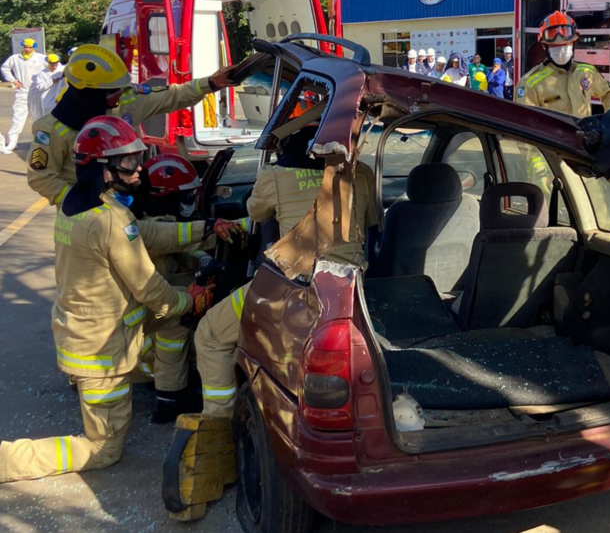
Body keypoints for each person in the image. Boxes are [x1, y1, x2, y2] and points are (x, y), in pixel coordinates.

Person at [163, 128, 378, 519]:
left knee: (211, 333)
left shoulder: (275, 176)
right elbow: (372, 223)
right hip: (353, 287)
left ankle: (218, 427)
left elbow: (256, 212)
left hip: (294, 289)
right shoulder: (359, 171)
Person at [0, 117, 214, 483]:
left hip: (81, 333)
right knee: (103, 449)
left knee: (170, 324)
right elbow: (148, 286)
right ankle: (9, 460)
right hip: (103, 352)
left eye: (139, 156)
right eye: (129, 161)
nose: (139, 167)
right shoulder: (110, 219)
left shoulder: (76, 202)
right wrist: (188, 301)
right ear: (102, 167)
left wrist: (203, 231)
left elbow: (140, 231)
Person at [26, 44, 236, 207]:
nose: (119, 96)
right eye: (111, 92)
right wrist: (85, 202)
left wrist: (211, 83)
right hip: (85, 219)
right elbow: (42, 178)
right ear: (87, 92)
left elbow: (173, 96)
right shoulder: (51, 129)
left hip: (132, 201)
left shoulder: (127, 101)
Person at [137, 154, 246, 423]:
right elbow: (174, 237)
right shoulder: (153, 226)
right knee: (176, 326)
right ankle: (169, 399)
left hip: (149, 308)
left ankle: (171, 392)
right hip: (140, 325)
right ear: (164, 196)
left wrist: (202, 261)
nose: (191, 203)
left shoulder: (150, 219)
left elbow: (181, 252)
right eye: (186, 197)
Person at [517, 11, 610, 117]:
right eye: (554, 46)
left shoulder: (586, 72)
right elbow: (526, 123)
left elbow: (608, 93)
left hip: (585, 133)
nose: (561, 50)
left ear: (574, 43)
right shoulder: (530, 84)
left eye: (566, 44)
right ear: (544, 47)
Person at [1, 38, 46, 154]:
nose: (27, 49)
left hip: (36, 92)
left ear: (33, 47)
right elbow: (5, 68)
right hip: (22, 91)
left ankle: (39, 142)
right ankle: (12, 143)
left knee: (38, 117)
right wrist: (12, 80)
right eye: (25, 47)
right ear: (23, 47)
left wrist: (47, 82)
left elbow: (53, 67)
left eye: (30, 47)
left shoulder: (40, 58)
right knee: (18, 117)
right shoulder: (15, 58)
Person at [29, 54, 65, 119]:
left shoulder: (62, 71)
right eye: (52, 64)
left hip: (60, 102)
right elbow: (40, 87)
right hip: (47, 102)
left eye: (56, 64)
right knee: (48, 122)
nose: (54, 66)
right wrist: (51, 81)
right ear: (48, 63)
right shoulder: (42, 73)